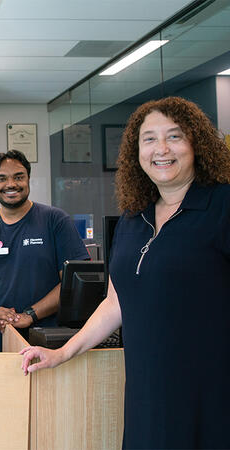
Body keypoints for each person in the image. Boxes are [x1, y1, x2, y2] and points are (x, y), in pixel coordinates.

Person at [20, 97, 230, 449]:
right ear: (136, 152)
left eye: (175, 136)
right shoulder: (134, 218)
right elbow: (117, 302)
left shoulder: (222, 205)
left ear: (197, 144)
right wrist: (63, 352)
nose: (161, 149)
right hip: (148, 388)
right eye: (149, 139)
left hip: (212, 387)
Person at [0, 150, 89, 352]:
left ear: (28, 179)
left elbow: (74, 282)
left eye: (18, 177)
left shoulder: (55, 221)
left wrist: (31, 314)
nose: (11, 184)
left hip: (48, 341)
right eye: (1, 178)